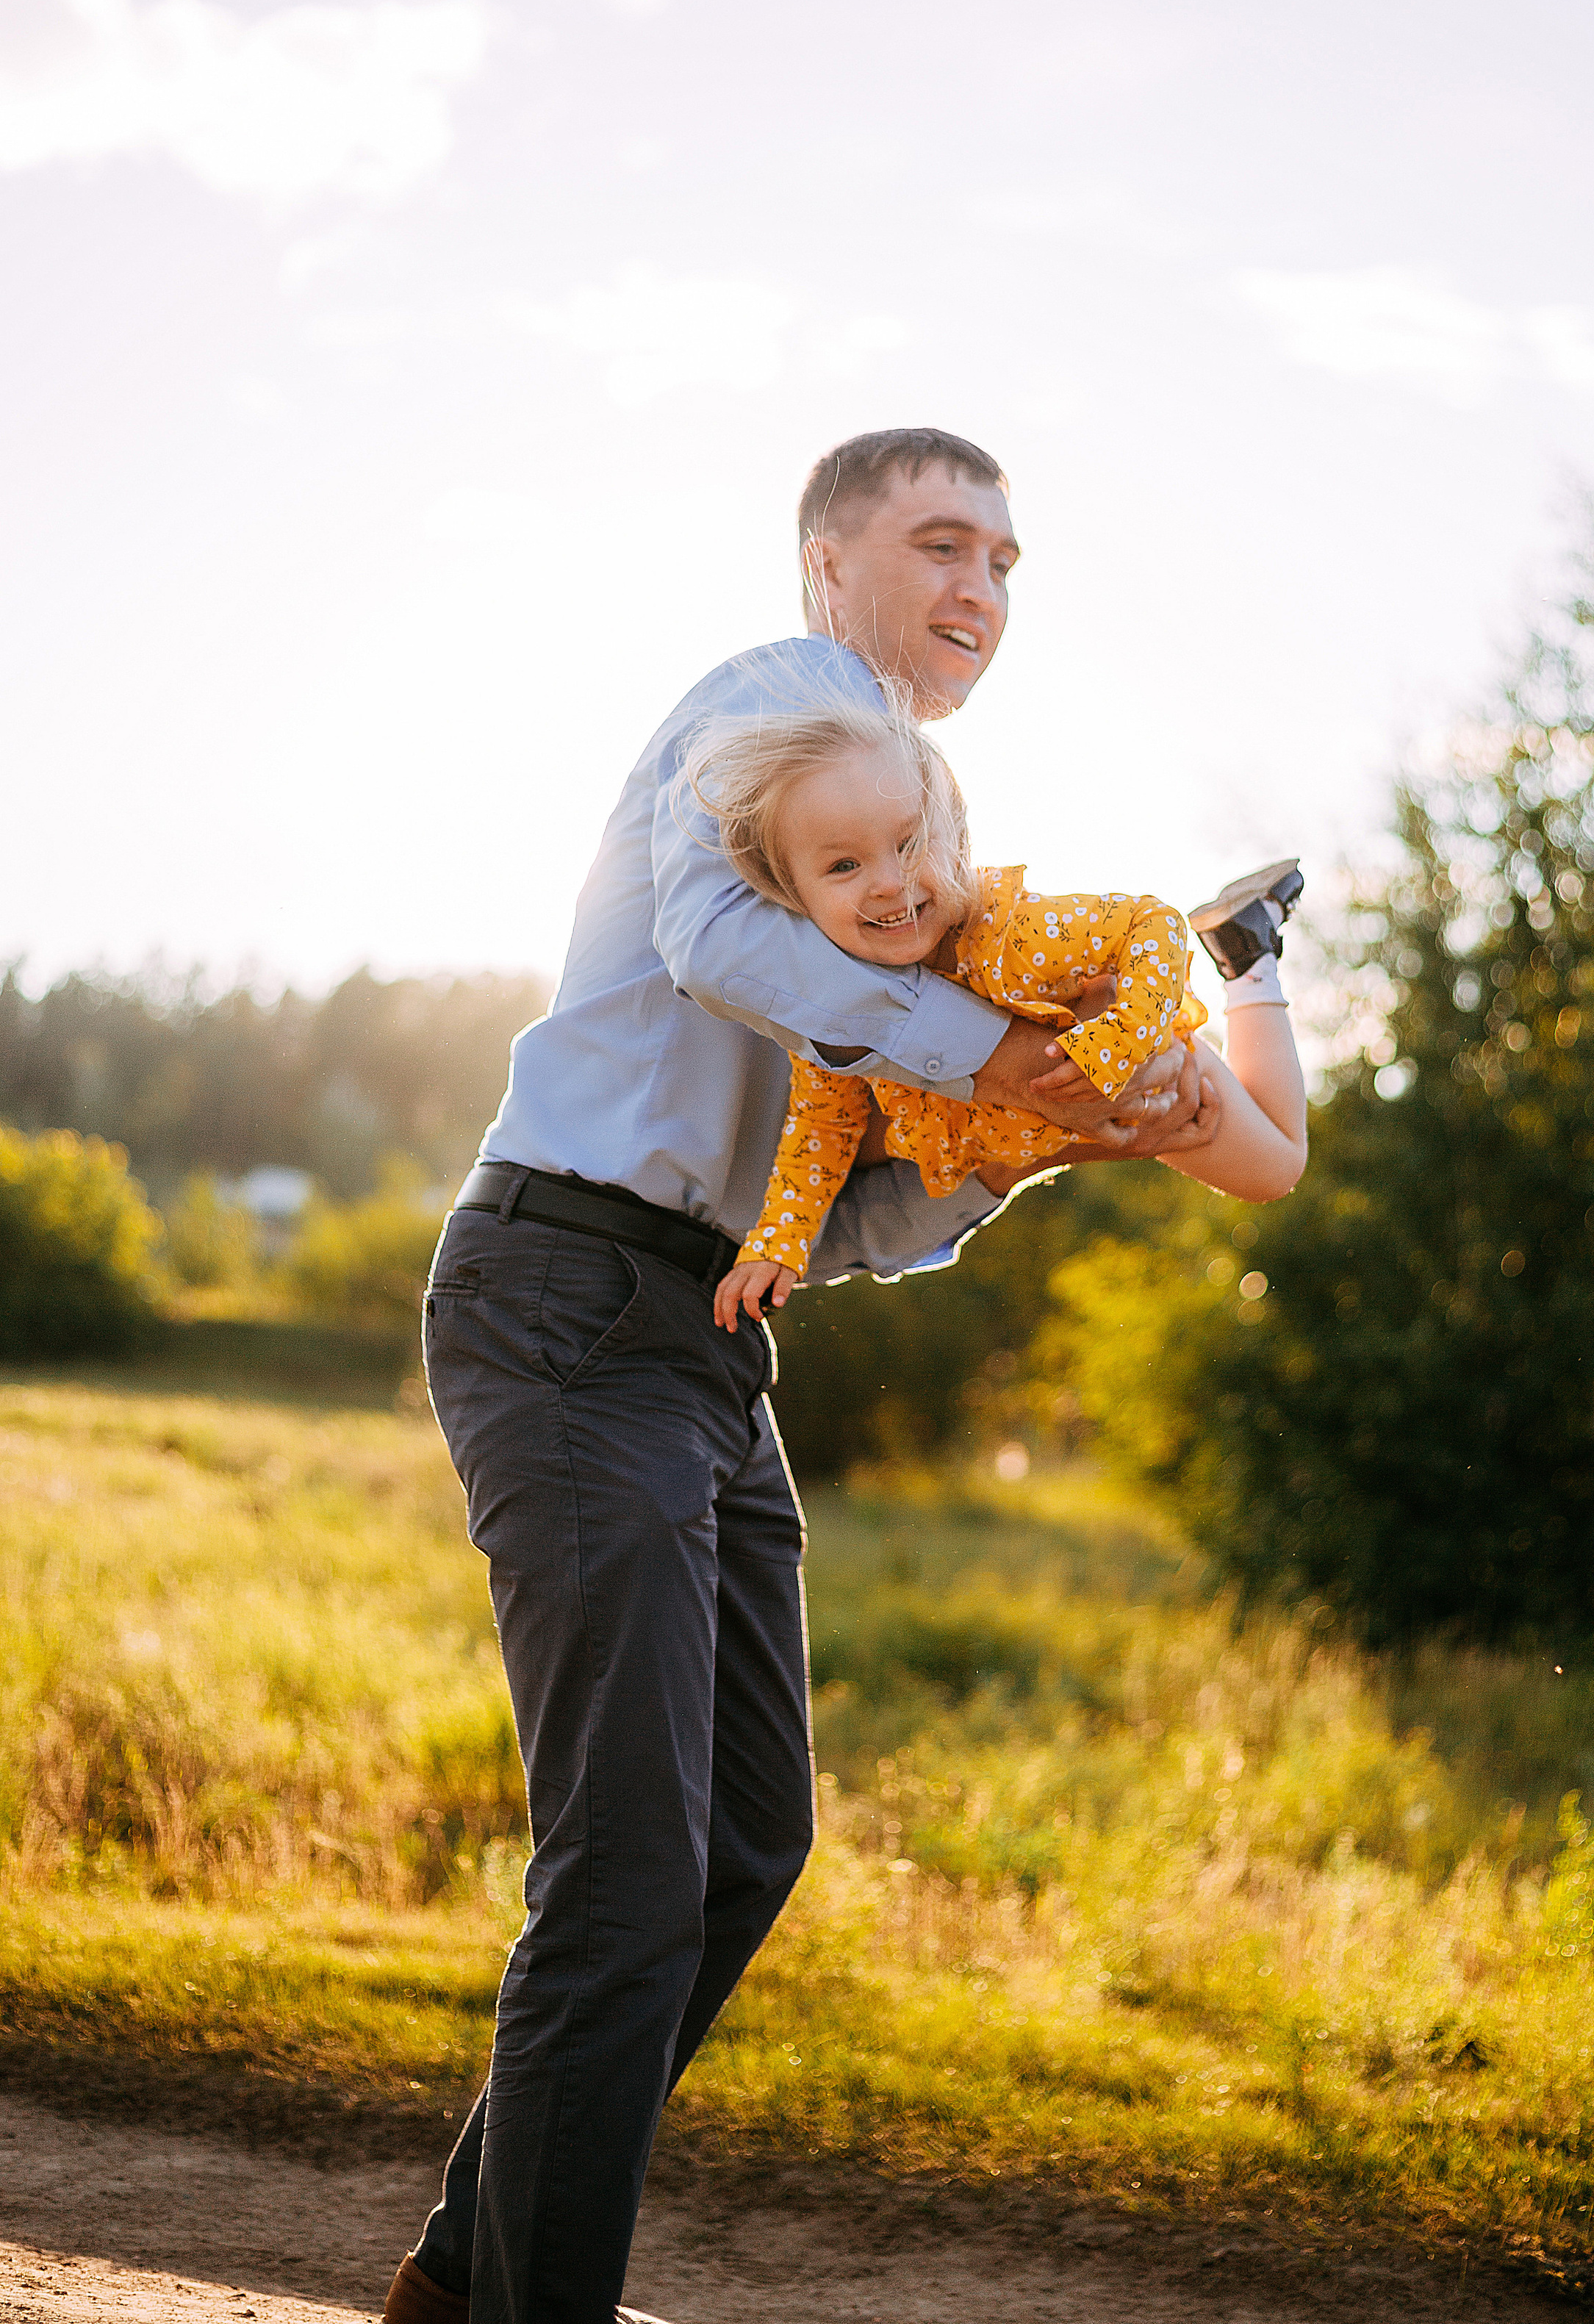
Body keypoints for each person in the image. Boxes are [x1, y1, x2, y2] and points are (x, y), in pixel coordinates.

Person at [383, 429, 1224, 2324]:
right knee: (621, 1878)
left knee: (746, 1836)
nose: (979, 589)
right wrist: (996, 1057)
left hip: (704, 1331)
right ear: (827, 564)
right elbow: (706, 937)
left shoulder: (903, 833)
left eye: (1007, 562)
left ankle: (461, 2283)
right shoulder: (777, 707)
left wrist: (1029, 1137)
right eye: (941, 543)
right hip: (567, 1289)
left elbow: (841, 1211)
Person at [675, 684, 1308, 1329]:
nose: (889, 881)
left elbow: (1154, 924)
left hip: (1140, 1065)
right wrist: (776, 1246)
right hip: (1046, 1130)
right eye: (843, 865)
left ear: (955, 835)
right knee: (1272, 1158)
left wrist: (1124, 1034)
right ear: (793, 893)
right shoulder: (833, 1012)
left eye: (910, 843)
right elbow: (822, 1129)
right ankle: (1248, 942)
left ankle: (1247, 953)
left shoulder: (1012, 938)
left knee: (1278, 1165)